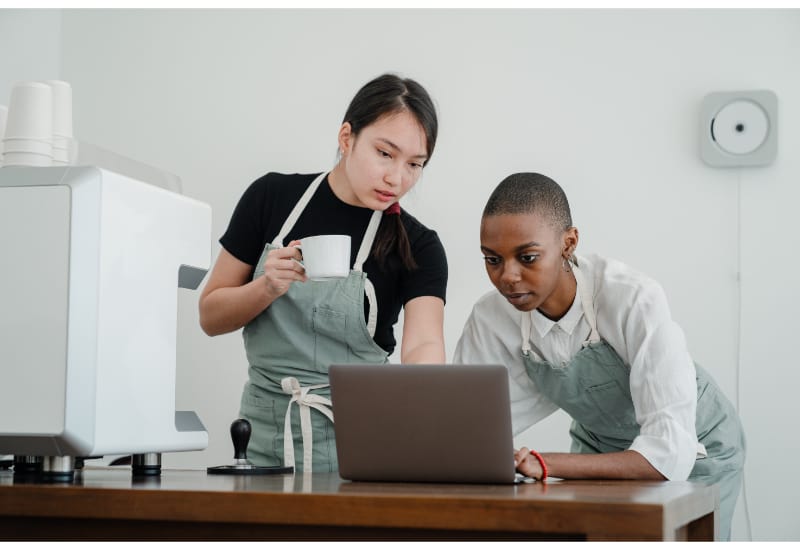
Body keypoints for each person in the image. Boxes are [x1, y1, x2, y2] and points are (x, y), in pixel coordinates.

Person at [453, 172, 745, 540]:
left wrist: (544, 463)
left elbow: (668, 455)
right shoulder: (491, 317)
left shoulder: (633, 298)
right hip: (601, 446)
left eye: (527, 257)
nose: (508, 277)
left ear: (569, 243)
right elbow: (464, 429)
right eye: (492, 259)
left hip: (697, 446)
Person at [199, 74, 448, 474]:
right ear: (347, 138)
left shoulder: (419, 246)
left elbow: (423, 345)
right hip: (263, 443)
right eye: (385, 153)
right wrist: (266, 287)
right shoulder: (270, 198)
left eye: (415, 164)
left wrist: (423, 401)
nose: (397, 178)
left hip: (363, 447)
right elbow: (209, 316)